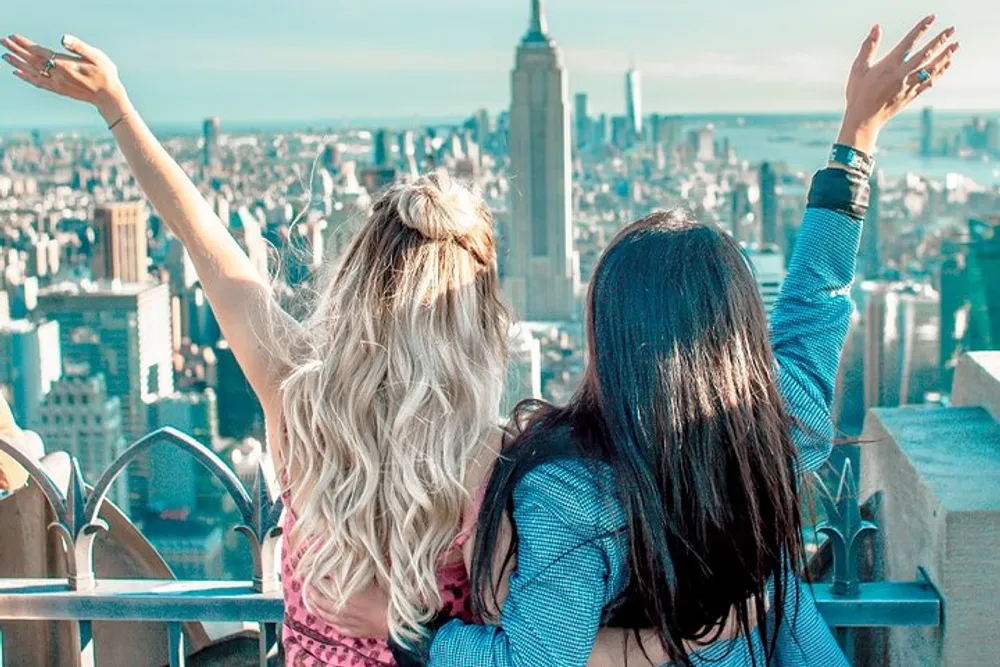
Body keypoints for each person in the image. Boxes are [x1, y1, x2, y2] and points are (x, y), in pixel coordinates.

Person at [383, 16, 959, 667]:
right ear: (739, 333)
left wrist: (420, 639)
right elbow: (815, 299)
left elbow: (533, 661)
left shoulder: (569, 487)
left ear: (608, 336)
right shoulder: (776, 426)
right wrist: (857, 137)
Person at [1, 34, 512, 666]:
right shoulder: (492, 457)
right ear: (477, 313)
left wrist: (117, 106)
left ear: (355, 283)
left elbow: (206, 244)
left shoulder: (299, 398)